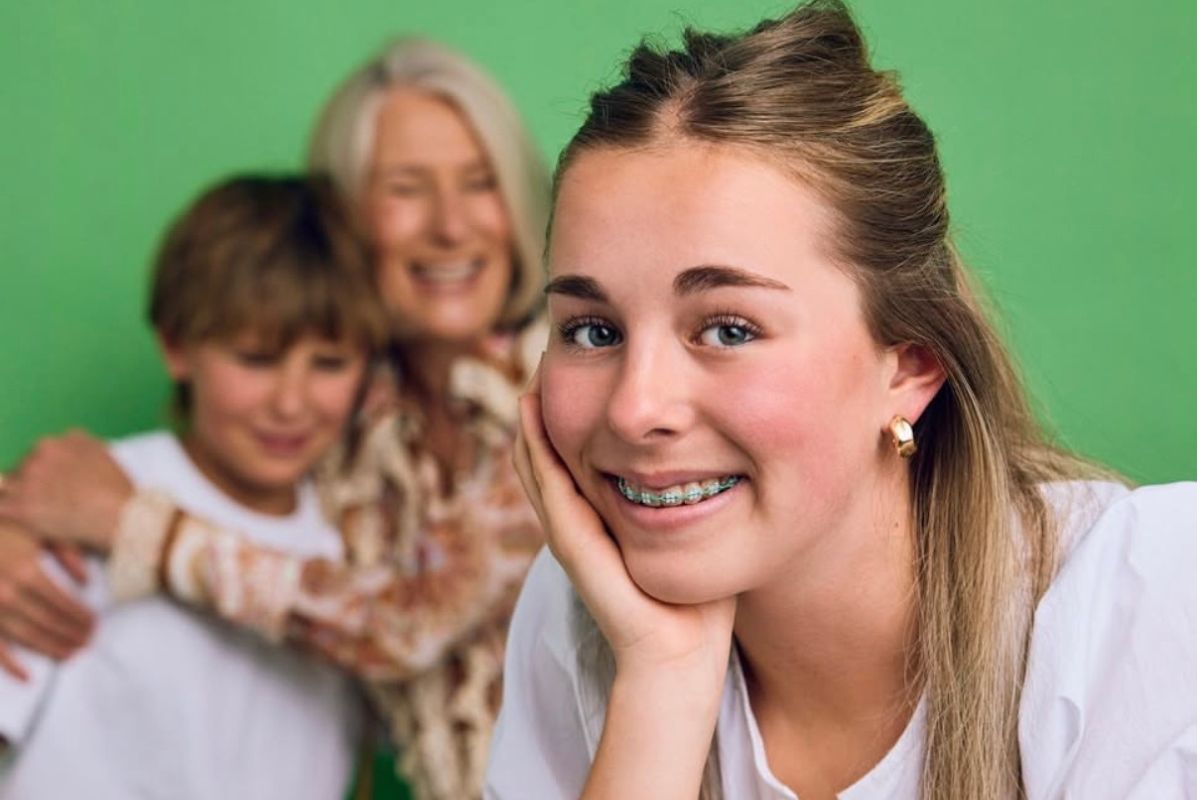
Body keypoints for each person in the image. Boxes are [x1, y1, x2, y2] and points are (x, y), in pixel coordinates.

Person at [485, 3, 1197, 799]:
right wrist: (662, 682)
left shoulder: (1147, 610)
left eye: (726, 329)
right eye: (591, 331)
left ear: (911, 367)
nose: (633, 409)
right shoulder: (587, 609)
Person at [0, 38, 549, 800]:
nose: (451, 225)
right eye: (407, 187)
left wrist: (135, 525)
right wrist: (20, 530)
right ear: (344, 219)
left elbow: (400, 624)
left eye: (480, 182)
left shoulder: (566, 385)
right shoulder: (342, 415)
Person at [0, 174, 385, 798]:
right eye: (256, 359)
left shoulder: (358, 542)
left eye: (330, 364)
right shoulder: (85, 502)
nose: (291, 403)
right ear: (178, 347)